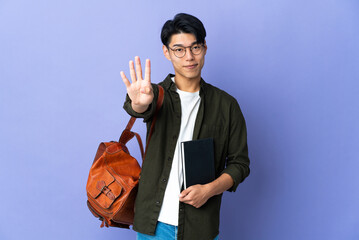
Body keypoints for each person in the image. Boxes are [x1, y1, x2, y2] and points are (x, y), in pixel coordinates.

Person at [121, 13, 250, 240]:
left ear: (205, 47)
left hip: (200, 227)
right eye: (179, 49)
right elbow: (139, 107)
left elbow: (240, 164)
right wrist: (139, 105)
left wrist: (209, 190)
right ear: (166, 52)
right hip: (153, 225)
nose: (189, 57)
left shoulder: (226, 105)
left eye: (195, 47)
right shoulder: (154, 94)